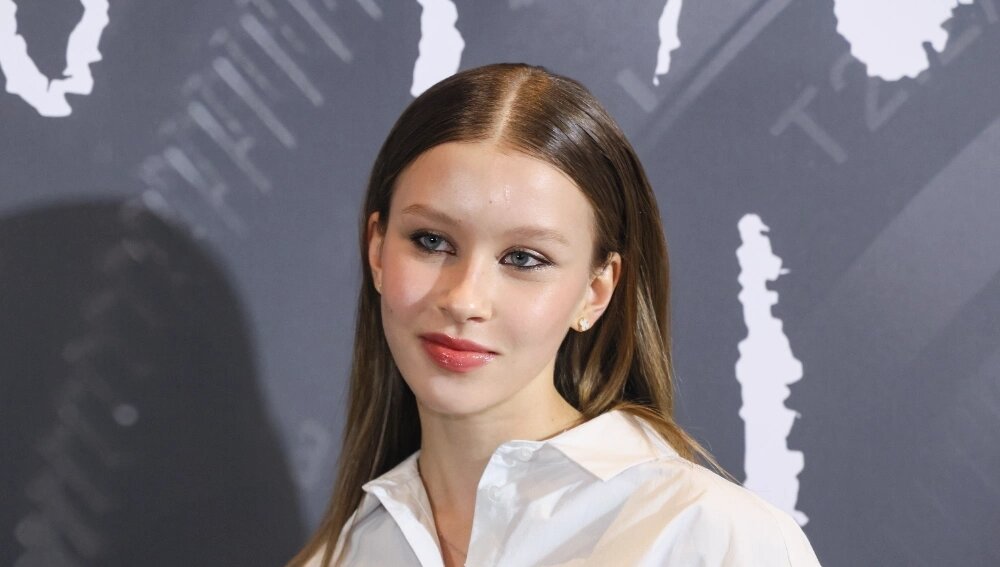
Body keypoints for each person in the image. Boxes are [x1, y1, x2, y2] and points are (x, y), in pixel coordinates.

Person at [289, 62, 821, 566]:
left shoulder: (709, 538)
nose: (464, 299)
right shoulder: (342, 556)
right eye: (431, 241)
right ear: (377, 250)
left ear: (596, 291)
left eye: (524, 259)